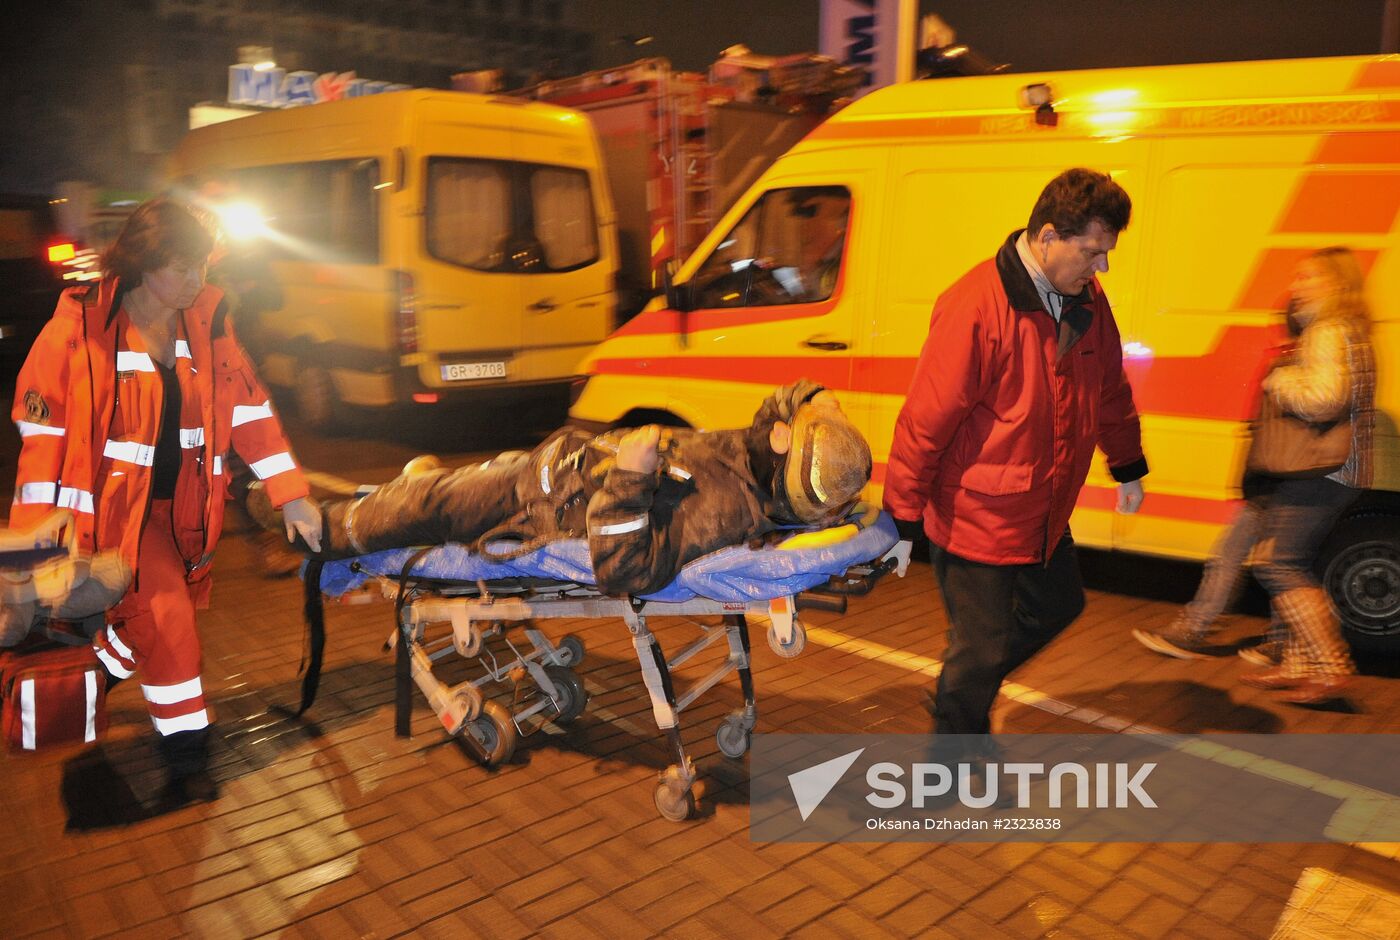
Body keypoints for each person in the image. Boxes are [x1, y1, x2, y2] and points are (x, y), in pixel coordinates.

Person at [9, 198, 322, 803]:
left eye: (201, 265)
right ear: (143, 262)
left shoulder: (207, 320)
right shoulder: (80, 328)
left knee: (149, 619)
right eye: (179, 267)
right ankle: (187, 753)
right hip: (111, 520)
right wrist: (34, 540)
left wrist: (291, 496)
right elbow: (41, 437)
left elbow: (251, 410)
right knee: (171, 621)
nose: (194, 281)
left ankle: (98, 667)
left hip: (185, 513)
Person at [881, 168, 1147, 750]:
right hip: (976, 514)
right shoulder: (976, 305)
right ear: (1049, 236)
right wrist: (900, 516)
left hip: (1043, 512)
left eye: (1106, 253)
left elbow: (1108, 388)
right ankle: (951, 762)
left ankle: (962, 689)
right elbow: (927, 419)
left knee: (1058, 607)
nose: (1102, 267)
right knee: (981, 647)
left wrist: (1126, 462)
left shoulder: (1088, 302)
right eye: (1092, 252)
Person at [302, 380, 873, 597]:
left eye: (789, 425)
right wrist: (819, 401)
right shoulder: (753, 467)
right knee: (441, 489)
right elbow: (788, 397)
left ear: (781, 442)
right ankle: (414, 481)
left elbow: (624, 570)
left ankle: (322, 532)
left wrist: (631, 472)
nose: (780, 413)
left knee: (428, 506)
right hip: (560, 473)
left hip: (542, 501)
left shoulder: (722, 511)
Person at [1136, 247, 1376, 704]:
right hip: (1341, 471)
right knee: (1291, 561)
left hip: (1319, 472)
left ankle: (1328, 666)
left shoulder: (1327, 330)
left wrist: (1280, 382)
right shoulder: (1353, 331)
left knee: (1278, 563)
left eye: (1308, 277)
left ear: (1335, 285)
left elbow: (1325, 399)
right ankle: (1298, 664)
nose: (1297, 285)